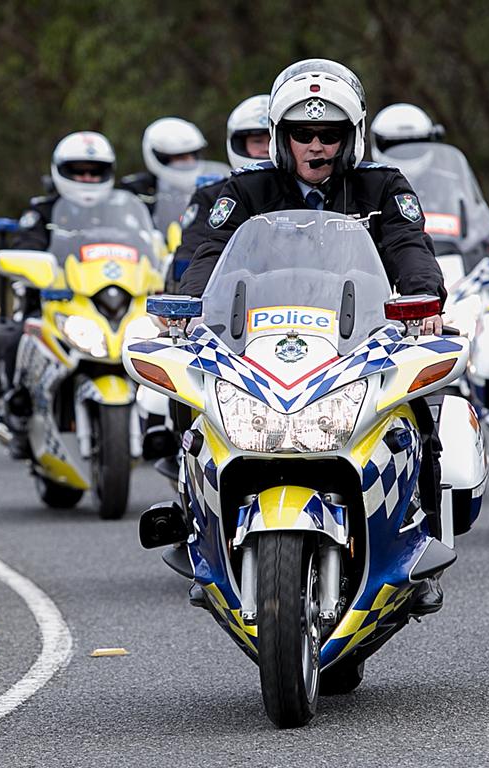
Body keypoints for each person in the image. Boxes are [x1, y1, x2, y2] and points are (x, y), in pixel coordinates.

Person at [179, 58, 447, 612]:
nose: (317, 145)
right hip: (258, 340)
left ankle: (423, 535)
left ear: (353, 135)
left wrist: (425, 301)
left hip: (358, 338)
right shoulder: (245, 189)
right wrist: (188, 306)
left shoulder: (383, 184)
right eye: (303, 134)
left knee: (421, 408)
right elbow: (208, 253)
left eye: (330, 134)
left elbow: (408, 246)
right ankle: (194, 523)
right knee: (196, 406)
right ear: (282, 137)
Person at [2, 132, 117, 457]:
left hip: (105, 302)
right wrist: (39, 271)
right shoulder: (42, 211)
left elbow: (147, 245)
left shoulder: (121, 210)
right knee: (18, 335)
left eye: (95, 172)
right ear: (59, 171)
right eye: (78, 171)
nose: (87, 178)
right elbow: (24, 247)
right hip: (51, 302)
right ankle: (18, 410)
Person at [167, 95, 271, 292]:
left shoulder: (303, 191)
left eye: (273, 139)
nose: (266, 149)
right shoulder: (212, 195)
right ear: (239, 143)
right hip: (229, 300)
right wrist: (192, 299)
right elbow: (193, 253)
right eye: (257, 141)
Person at [119, 117, 208, 210]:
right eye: (180, 156)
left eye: (192, 154)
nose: (189, 161)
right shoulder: (136, 190)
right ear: (162, 157)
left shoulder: (208, 187)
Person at [370, 102, 444, 163]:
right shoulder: (367, 179)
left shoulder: (446, 179)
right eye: (393, 144)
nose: (406, 150)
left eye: (417, 142)